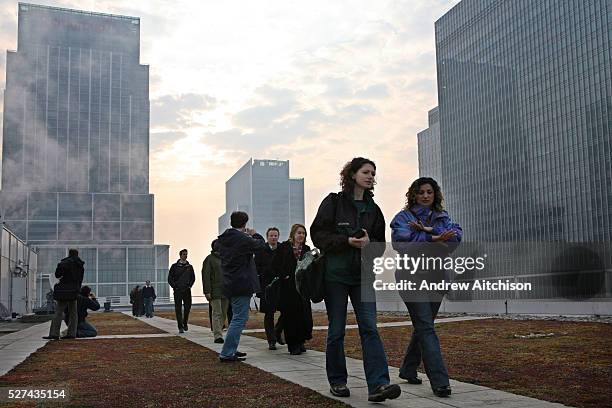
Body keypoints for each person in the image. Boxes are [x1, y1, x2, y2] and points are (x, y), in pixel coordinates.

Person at [310, 157, 401, 403]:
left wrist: (370, 246)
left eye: (373, 173)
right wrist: (346, 241)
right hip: (335, 276)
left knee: (370, 328)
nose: (371, 176)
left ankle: (379, 385)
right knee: (336, 330)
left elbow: (380, 247)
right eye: (366, 172)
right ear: (352, 175)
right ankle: (337, 381)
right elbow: (317, 234)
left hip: (363, 276)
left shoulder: (375, 210)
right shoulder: (333, 202)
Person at [390, 177, 462, 398]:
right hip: (411, 277)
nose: (425, 196)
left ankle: (408, 369)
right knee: (426, 327)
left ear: (435, 194)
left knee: (425, 325)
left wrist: (426, 232)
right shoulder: (402, 218)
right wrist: (435, 238)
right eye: (421, 192)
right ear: (413, 194)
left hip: (437, 277)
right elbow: (402, 243)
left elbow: (456, 236)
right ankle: (440, 381)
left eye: (429, 192)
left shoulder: (443, 216)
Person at [216, 211, 265, 362]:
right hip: (241, 283)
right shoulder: (242, 239)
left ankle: (232, 348)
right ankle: (227, 353)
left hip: (229, 283)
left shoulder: (224, 239)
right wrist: (255, 234)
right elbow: (260, 246)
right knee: (239, 319)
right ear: (244, 223)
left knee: (236, 317)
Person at [272, 224, 313, 355]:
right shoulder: (284, 248)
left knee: (303, 316)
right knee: (290, 316)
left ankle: (300, 341)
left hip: (302, 288)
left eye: (303, 233)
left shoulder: (307, 250)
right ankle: (293, 344)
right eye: (299, 233)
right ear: (293, 234)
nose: (301, 235)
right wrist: (284, 276)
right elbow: (275, 265)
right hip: (288, 287)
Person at [43, 248, 85, 340]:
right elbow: (80, 279)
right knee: (73, 313)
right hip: (74, 291)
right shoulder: (80, 265)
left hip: (64, 291)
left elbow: (57, 275)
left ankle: (54, 334)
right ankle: (72, 333)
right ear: (77, 254)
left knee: (59, 312)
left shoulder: (64, 263)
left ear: (69, 254)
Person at [254, 227, 281, 350]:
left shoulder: (282, 249)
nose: (273, 238)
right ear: (267, 237)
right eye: (271, 236)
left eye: (275, 236)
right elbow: (256, 268)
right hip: (266, 287)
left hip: (281, 286)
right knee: (269, 314)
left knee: (286, 311)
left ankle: (278, 331)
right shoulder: (261, 250)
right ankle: (271, 340)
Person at [202, 239, 229, 344]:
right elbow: (206, 276)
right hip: (214, 291)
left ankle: (219, 331)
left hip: (226, 291)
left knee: (223, 313)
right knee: (216, 313)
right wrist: (207, 291)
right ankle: (217, 335)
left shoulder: (226, 259)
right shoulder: (209, 259)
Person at [168, 249, 196, 333]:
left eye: (186, 254)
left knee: (187, 307)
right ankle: (180, 326)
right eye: (184, 254)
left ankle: (185, 322)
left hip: (187, 290)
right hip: (178, 290)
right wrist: (175, 286)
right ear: (180, 255)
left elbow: (193, 278)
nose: (185, 255)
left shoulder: (189, 267)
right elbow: (170, 278)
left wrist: (189, 286)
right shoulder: (174, 266)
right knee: (178, 309)